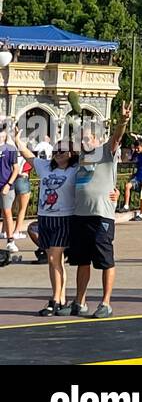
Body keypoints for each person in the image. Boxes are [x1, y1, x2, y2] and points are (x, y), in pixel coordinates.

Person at [69, 103, 132, 318]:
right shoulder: (80, 158)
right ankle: (80, 301)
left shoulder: (106, 151)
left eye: (88, 138)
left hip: (101, 215)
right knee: (81, 260)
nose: (85, 142)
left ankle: (106, 302)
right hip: (80, 216)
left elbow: (116, 138)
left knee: (105, 260)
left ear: (97, 139)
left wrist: (122, 122)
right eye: (82, 138)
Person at [14, 126, 77, 314]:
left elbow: (98, 171)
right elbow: (28, 156)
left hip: (63, 219)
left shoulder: (74, 170)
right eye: (55, 150)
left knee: (53, 257)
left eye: (62, 151)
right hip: (45, 218)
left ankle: (55, 300)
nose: (57, 154)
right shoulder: (45, 167)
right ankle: (61, 297)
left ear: (71, 153)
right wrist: (17, 139)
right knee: (54, 261)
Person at [117, 139, 142, 221]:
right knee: (127, 186)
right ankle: (126, 205)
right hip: (137, 177)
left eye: (138, 148)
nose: (136, 149)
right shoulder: (138, 154)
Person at [1, 125, 22, 255]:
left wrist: (8, 184)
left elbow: (16, 169)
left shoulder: (11, 149)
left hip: (5, 185)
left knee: (7, 212)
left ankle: (10, 241)